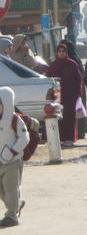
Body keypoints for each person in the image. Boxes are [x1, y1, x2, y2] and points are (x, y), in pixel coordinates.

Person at [0, 87, 29, 227]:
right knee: (2, 191)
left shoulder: (15, 120)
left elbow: (24, 138)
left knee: (11, 188)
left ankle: (11, 216)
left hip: (12, 161)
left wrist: (12, 151)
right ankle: (17, 203)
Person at [46, 44, 82, 148]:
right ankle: (59, 138)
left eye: (63, 51)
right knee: (58, 116)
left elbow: (78, 79)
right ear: (57, 53)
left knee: (69, 117)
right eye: (59, 51)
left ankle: (69, 138)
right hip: (57, 95)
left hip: (70, 95)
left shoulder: (72, 64)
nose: (61, 53)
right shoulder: (53, 65)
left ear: (66, 53)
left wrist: (78, 92)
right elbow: (48, 80)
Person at [61, 41, 87, 140]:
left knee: (78, 111)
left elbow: (79, 75)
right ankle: (80, 132)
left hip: (77, 88)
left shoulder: (72, 60)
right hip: (78, 88)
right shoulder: (75, 58)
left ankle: (80, 132)